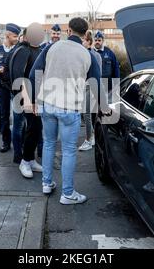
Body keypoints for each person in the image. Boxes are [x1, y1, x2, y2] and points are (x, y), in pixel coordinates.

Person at [29, 18, 105, 205]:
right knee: (69, 150)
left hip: (47, 104)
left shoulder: (51, 48)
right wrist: (103, 107)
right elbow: (96, 82)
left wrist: (33, 100)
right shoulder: (88, 55)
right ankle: (68, 194)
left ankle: (47, 183)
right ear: (85, 33)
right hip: (70, 107)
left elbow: (34, 74)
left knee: (48, 144)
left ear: (68, 31)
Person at [9, 25, 44, 178]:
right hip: (26, 98)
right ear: (26, 36)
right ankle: (24, 161)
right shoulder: (23, 50)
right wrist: (28, 100)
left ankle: (30, 159)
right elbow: (19, 76)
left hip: (37, 98)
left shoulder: (38, 50)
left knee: (36, 129)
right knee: (32, 129)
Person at [0, 23, 21, 153]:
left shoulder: (19, 49)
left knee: (19, 114)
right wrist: (0, 70)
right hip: (3, 86)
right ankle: (6, 141)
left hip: (16, 86)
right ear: (8, 35)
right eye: (14, 36)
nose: (17, 38)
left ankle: (19, 141)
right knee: (4, 114)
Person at [79, 30, 102, 152]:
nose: (81, 42)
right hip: (82, 86)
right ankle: (91, 136)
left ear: (88, 41)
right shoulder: (82, 54)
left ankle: (89, 139)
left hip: (90, 86)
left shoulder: (95, 55)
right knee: (86, 114)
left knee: (87, 113)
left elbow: (98, 74)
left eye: (83, 40)